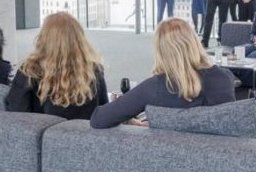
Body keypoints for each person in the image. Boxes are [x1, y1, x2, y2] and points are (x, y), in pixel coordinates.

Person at [91, 18, 235, 128]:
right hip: (222, 156)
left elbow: (98, 119)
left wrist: (128, 118)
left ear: (161, 51)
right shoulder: (225, 79)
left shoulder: (154, 87)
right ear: (194, 43)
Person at [6, 12, 108, 120]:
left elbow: (16, 110)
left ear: (44, 39)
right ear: (79, 39)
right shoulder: (94, 70)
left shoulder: (30, 71)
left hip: (43, 130)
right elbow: (104, 111)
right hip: (85, 130)